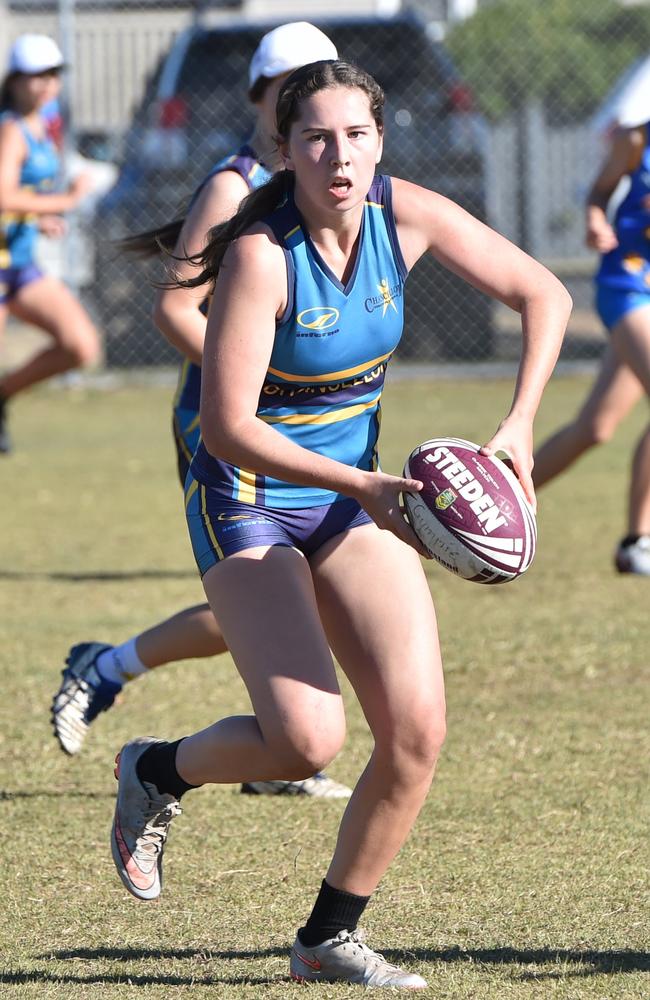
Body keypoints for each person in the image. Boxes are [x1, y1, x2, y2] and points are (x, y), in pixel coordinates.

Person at [108, 60, 571, 987]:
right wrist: (361, 486)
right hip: (246, 501)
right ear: (284, 149)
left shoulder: (408, 216)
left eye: (356, 135)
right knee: (307, 740)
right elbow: (232, 426)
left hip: (348, 497)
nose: (338, 155)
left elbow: (545, 295)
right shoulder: (260, 254)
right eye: (315, 137)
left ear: (380, 141)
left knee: (416, 732)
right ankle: (158, 770)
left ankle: (327, 937)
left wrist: (517, 424)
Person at [50, 23, 351, 798]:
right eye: (286, 84)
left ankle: (268, 745)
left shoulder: (333, 176)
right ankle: (112, 668)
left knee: (290, 593)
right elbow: (174, 313)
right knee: (270, 587)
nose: (302, 95)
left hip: (298, 429)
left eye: (316, 79)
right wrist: (259, 385)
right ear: (259, 95)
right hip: (225, 422)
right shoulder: (236, 181)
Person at [533, 120, 650, 575]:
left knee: (595, 427)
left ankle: (492, 504)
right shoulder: (636, 140)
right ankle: (638, 541)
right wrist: (595, 218)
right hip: (629, 287)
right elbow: (600, 193)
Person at [0, 33, 99, 453]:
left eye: (51, 74)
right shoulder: (12, 128)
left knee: (81, 345)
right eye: (34, 76)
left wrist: (41, 217)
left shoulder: (46, 123)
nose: (44, 83)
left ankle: (2, 394)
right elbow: (2, 195)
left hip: (18, 262)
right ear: (15, 80)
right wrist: (67, 201)